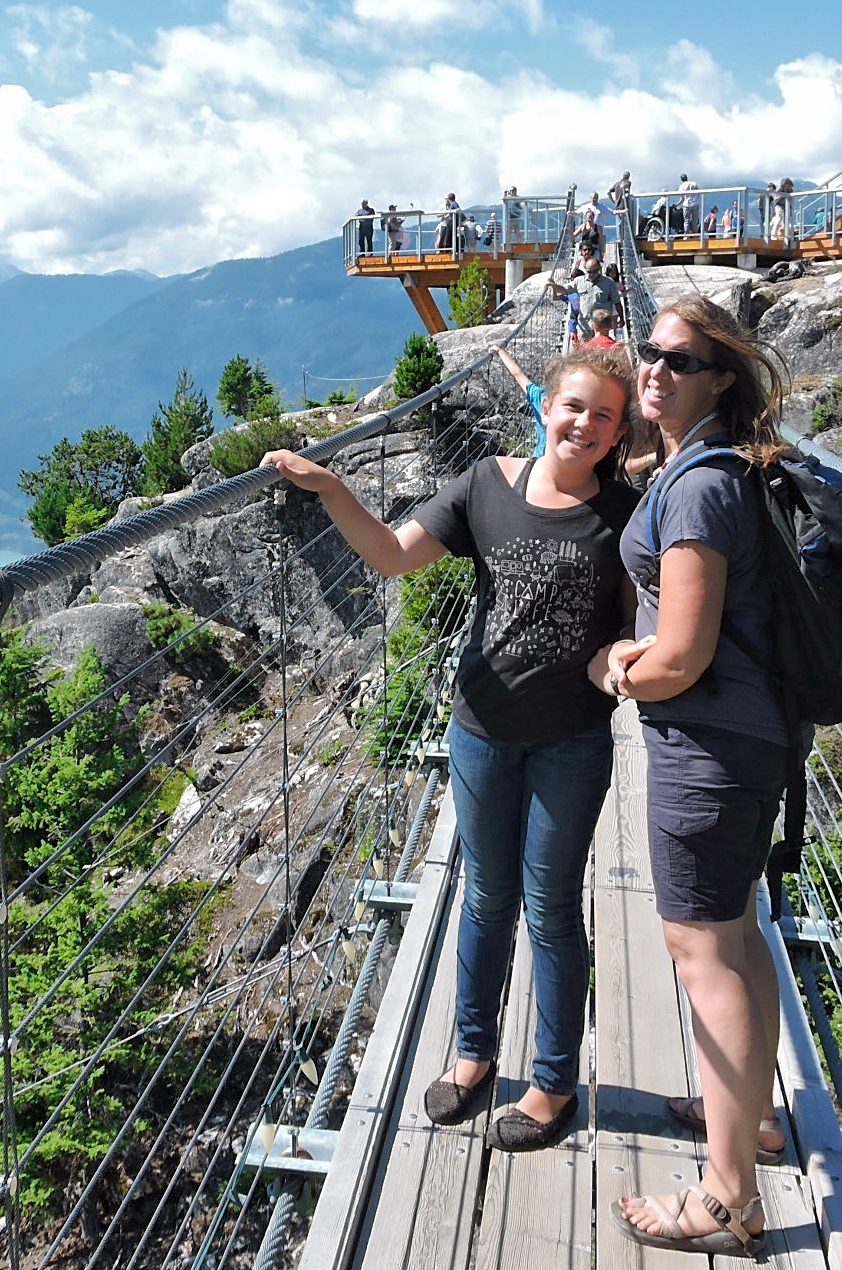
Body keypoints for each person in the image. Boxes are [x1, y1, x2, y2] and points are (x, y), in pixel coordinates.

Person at [262, 351, 642, 1155]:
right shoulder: (486, 486)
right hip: (479, 730)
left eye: (604, 416)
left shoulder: (626, 514)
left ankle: (553, 1081)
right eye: (575, 406)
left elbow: (636, 625)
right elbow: (395, 554)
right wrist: (332, 487)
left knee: (550, 910)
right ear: (545, 405)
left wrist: (618, 658)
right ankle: (474, 1055)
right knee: (484, 897)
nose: (585, 424)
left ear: (617, 433)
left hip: (570, 740)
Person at [602, 294, 791, 1258]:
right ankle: (749, 1115)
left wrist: (614, 665)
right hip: (747, 741)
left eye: (678, 359)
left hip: (706, 749)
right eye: (648, 352)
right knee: (738, 934)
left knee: (699, 948)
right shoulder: (701, 467)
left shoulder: (701, 486)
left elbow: (678, 656)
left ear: (720, 375)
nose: (654, 370)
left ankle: (728, 1200)